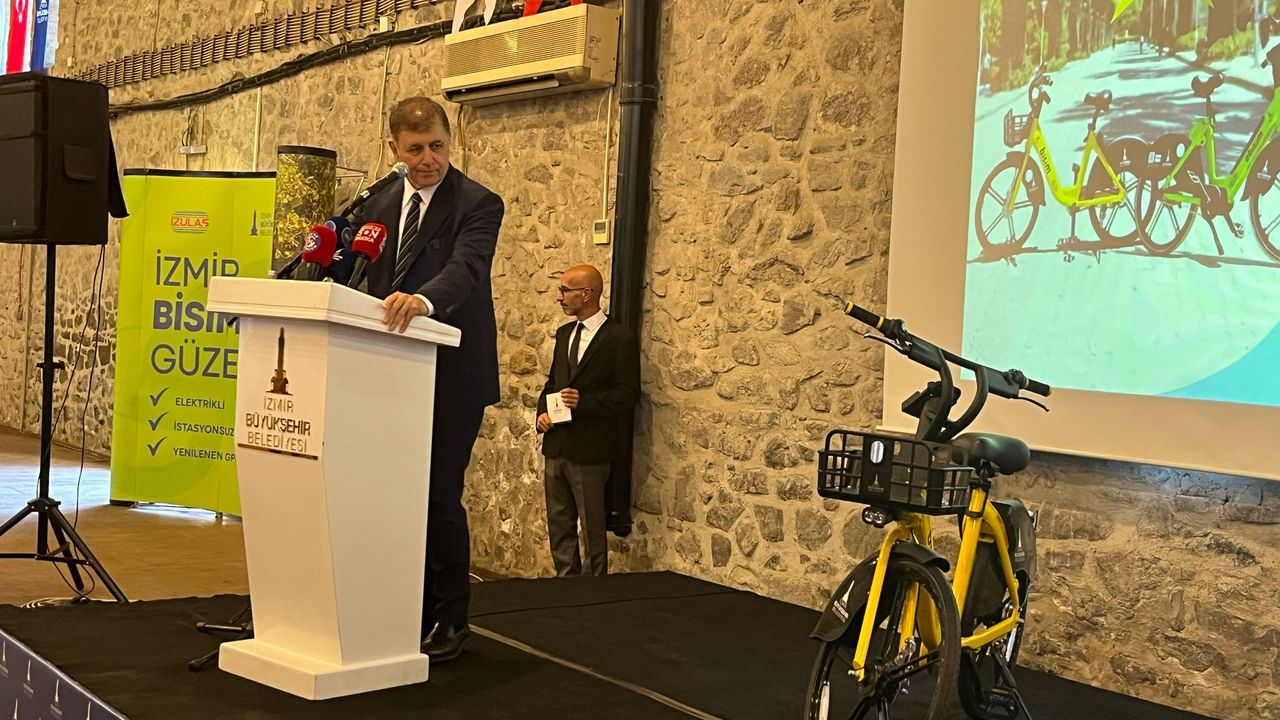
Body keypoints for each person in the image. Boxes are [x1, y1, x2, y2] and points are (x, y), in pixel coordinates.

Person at [362, 96, 504, 662]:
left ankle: (450, 617)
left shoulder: (477, 203)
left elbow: (466, 270)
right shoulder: (377, 203)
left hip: (452, 377)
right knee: (392, 494)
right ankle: (405, 608)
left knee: (437, 496)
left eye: (437, 146)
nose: (428, 159)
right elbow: (355, 271)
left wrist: (422, 301)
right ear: (393, 149)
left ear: (450, 141)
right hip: (385, 373)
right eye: (416, 149)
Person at [535, 265, 640, 576]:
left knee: (593, 528)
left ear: (586, 294)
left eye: (565, 290)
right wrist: (542, 414)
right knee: (559, 525)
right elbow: (553, 384)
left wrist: (585, 403)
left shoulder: (619, 338)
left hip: (591, 449)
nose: (560, 297)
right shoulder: (565, 334)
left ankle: (594, 590)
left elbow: (628, 395)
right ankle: (565, 585)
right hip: (557, 444)